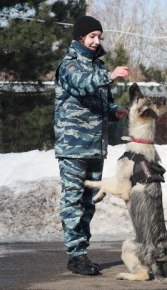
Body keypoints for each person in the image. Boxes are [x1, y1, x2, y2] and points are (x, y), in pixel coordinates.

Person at [53, 15, 129, 276]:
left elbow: (102, 102)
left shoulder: (98, 68)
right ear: (79, 38)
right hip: (72, 147)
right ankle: (75, 255)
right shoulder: (69, 65)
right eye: (92, 36)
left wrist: (114, 110)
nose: (96, 41)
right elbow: (81, 86)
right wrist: (111, 76)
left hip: (95, 147)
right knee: (72, 201)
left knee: (88, 203)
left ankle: (81, 251)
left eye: (99, 36)